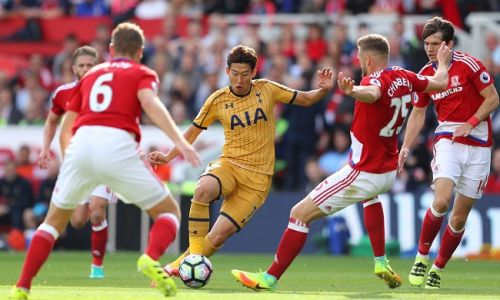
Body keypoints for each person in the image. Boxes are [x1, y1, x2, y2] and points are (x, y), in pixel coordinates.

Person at [231, 33, 452, 291]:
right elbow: (440, 82)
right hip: (387, 171)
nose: (358, 62)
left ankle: (268, 278)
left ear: (367, 59)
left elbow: (372, 92)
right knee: (370, 197)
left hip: (364, 172)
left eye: (359, 58)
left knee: (299, 214)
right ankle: (381, 261)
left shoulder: (372, 80)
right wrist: (444, 63)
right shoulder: (405, 76)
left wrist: (353, 90)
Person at [9, 22, 200, 300]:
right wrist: (180, 142)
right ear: (140, 52)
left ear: (111, 50)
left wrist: (70, 157)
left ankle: (22, 286)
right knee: (169, 212)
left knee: (51, 223)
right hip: (117, 145)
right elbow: (150, 104)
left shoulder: (91, 75)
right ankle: (150, 258)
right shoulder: (142, 72)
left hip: (80, 146)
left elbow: (68, 123)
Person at [148, 45, 334, 276]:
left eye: (245, 74)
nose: (239, 80)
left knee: (218, 235)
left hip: (257, 181)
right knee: (203, 188)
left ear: (254, 72)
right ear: (227, 71)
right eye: (235, 74)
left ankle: (176, 268)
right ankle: (194, 258)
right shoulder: (217, 100)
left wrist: (322, 90)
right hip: (230, 165)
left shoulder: (267, 89)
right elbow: (192, 133)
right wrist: (168, 157)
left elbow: (304, 99)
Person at [399, 17, 499, 289]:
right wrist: (406, 145)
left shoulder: (469, 65)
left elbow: (493, 99)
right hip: (448, 139)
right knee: (441, 201)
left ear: (450, 44)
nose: (430, 49)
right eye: (426, 43)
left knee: (458, 218)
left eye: (435, 44)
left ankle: (438, 267)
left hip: (478, 144)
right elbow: (418, 112)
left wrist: (471, 122)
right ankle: (421, 256)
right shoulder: (426, 75)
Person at [38, 45, 114, 279]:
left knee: (97, 210)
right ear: (73, 68)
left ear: (98, 66)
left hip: (103, 160)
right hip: (76, 164)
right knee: (78, 220)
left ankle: (97, 267)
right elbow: (52, 121)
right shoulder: (63, 93)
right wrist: (45, 149)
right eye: (81, 65)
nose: (85, 69)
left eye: (90, 65)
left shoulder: (108, 91)